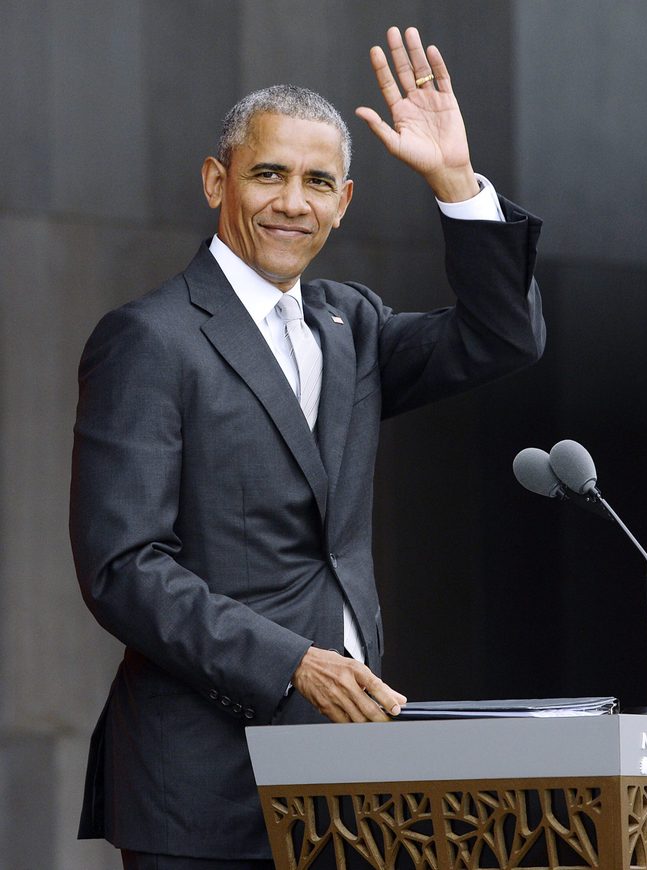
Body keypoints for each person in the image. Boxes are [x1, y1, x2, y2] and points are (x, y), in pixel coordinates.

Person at [70, 25, 545, 870]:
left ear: (344, 201)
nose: (294, 201)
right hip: (204, 789)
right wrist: (292, 663)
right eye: (269, 174)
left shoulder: (350, 323)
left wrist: (455, 183)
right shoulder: (150, 339)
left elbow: (502, 337)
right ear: (218, 181)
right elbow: (124, 566)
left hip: (350, 782)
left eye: (318, 182)